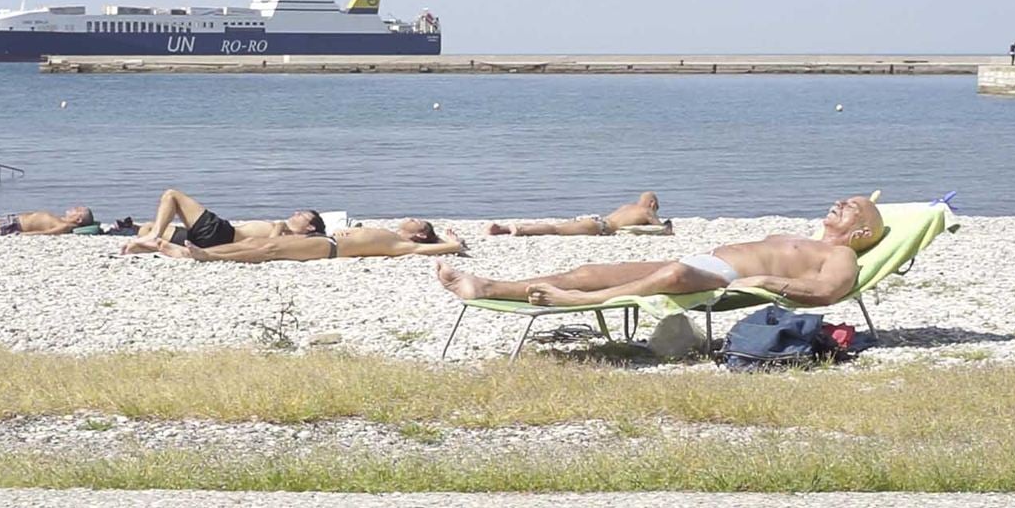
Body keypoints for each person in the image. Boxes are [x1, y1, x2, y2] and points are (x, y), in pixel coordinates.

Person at [438, 196, 884, 307]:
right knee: (592, 267)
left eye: (853, 207)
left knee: (670, 274)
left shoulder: (841, 255)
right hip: (708, 264)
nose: (842, 203)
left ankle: (582, 302)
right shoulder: (802, 238)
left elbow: (828, 291)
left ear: (862, 231)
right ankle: (488, 286)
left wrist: (765, 282)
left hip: (727, 283)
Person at [158, 218, 468, 263]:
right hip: (326, 239)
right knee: (256, 245)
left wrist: (452, 242)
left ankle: (210, 258)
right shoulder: (389, 232)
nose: (410, 218)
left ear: (420, 233)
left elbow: (443, 249)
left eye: (416, 221)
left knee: (269, 248)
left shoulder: (403, 244)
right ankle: (199, 254)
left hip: (330, 248)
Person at [121, 188, 324, 254]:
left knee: (171, 195)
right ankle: (150, 243)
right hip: (214, 237)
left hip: (221, 233)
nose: (296, 212)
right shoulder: (286, 230)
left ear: (310, 226)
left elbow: (269, 246)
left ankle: (154, 238)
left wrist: (279, 227)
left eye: (302, 214)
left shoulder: (293, 237)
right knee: (145, 227)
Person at [485, 191, 667, 236]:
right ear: (652, 203)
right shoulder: (646, 212)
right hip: (600, 227)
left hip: (595, 219)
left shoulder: (627, 206)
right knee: (554, 229)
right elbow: (662, 230)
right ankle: (519, 229)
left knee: (556, 227)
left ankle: (503, 229)